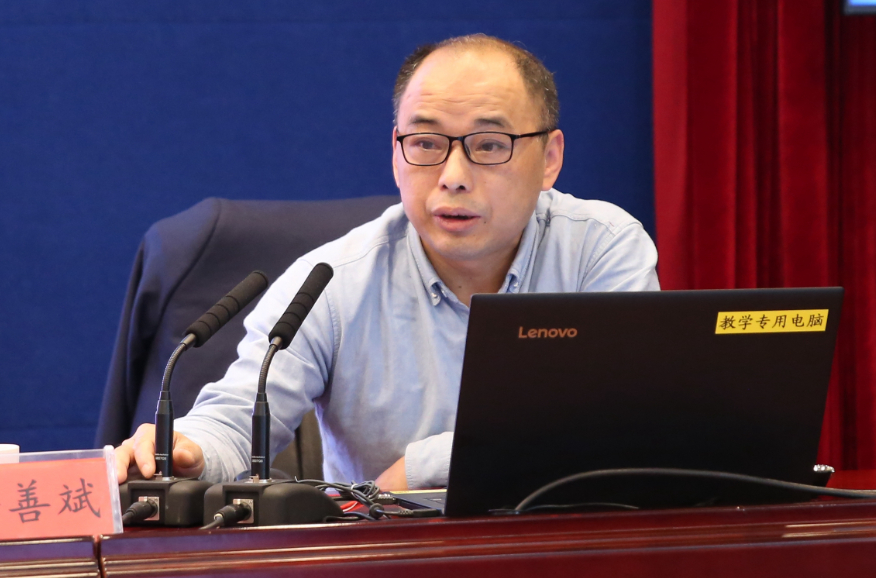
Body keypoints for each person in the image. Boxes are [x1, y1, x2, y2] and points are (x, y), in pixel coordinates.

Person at [115, 33, 659, 490]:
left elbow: (621, 418)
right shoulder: (327, 284)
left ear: (550, 159)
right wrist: (186, 449)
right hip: (390, 554)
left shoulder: (600, 249)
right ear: (396, 153)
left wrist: (420, 468)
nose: (453, 176)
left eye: (490, 145)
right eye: (425, 143)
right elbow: (234, 423)